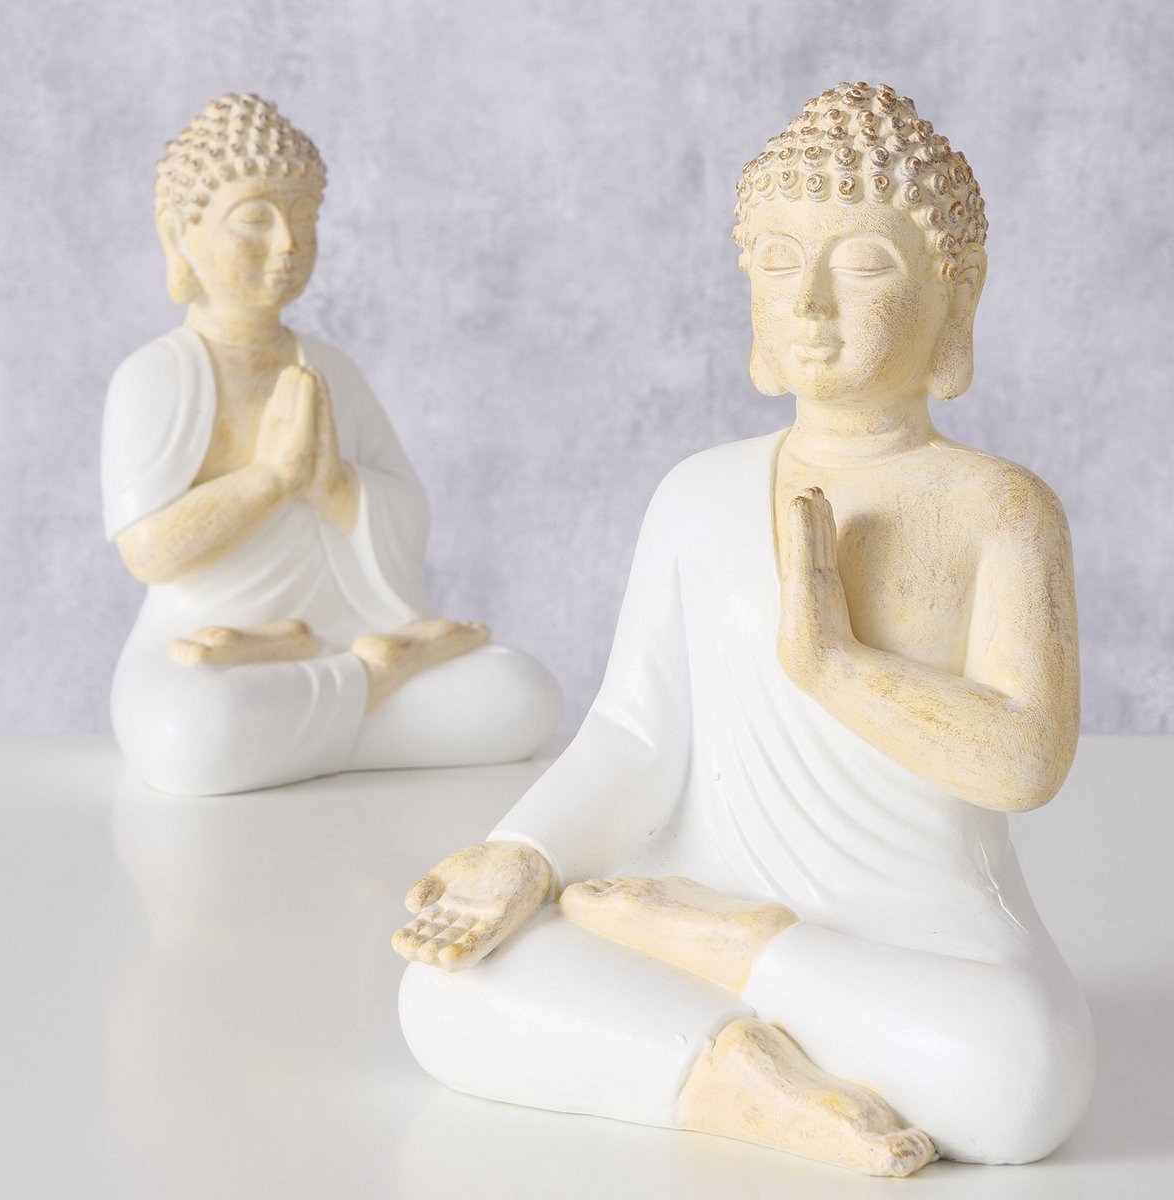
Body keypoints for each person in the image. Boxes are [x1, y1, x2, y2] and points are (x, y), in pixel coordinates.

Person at [393, 83, 1094, 1177]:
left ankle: (740, 952)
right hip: (700, 889)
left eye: (865, 266)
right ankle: (746, 1079)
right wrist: (524, 854)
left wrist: (835, 666)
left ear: (954, 295)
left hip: (916, 949)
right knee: (444, 993)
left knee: (1023, 1081)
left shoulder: (1000, 507)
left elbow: (1026, 761)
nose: (811, 301)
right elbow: (634, 734)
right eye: (778, 261)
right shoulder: (698, 495)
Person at [103, 94, 560, 795]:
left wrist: (336, 488)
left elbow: (407, 511)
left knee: (520, 694)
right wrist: (270, 479)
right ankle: (376, 677)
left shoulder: (329, 368)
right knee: (190, 733)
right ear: (177, 234)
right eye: (255, 218)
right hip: (205, 649)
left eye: (305, 219)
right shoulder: (157, 375)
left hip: (337, 632)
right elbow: (149, 552)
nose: (287, 243)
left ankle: (345, 687)